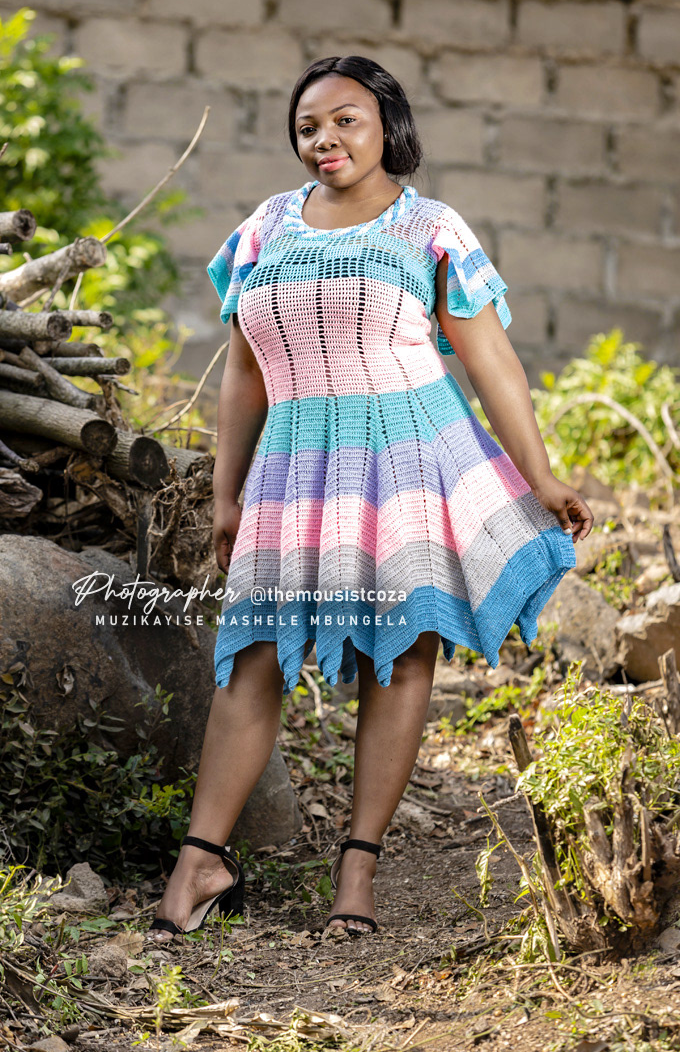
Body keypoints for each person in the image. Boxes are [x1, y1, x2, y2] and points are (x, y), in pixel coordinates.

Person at [147, 55, 593, 943]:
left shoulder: (429, 226)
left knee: (400, 650)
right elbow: (244, 372)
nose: (326, 139)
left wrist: (540, 474)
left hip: (405, 457)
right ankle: (201, 863)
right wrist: (227, 492)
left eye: (346, 120)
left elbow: (492, 362)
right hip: (291, 465)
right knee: (254, 651)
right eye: (308, 126)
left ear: (387, 124)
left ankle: (358, 871)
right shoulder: (265, 228)